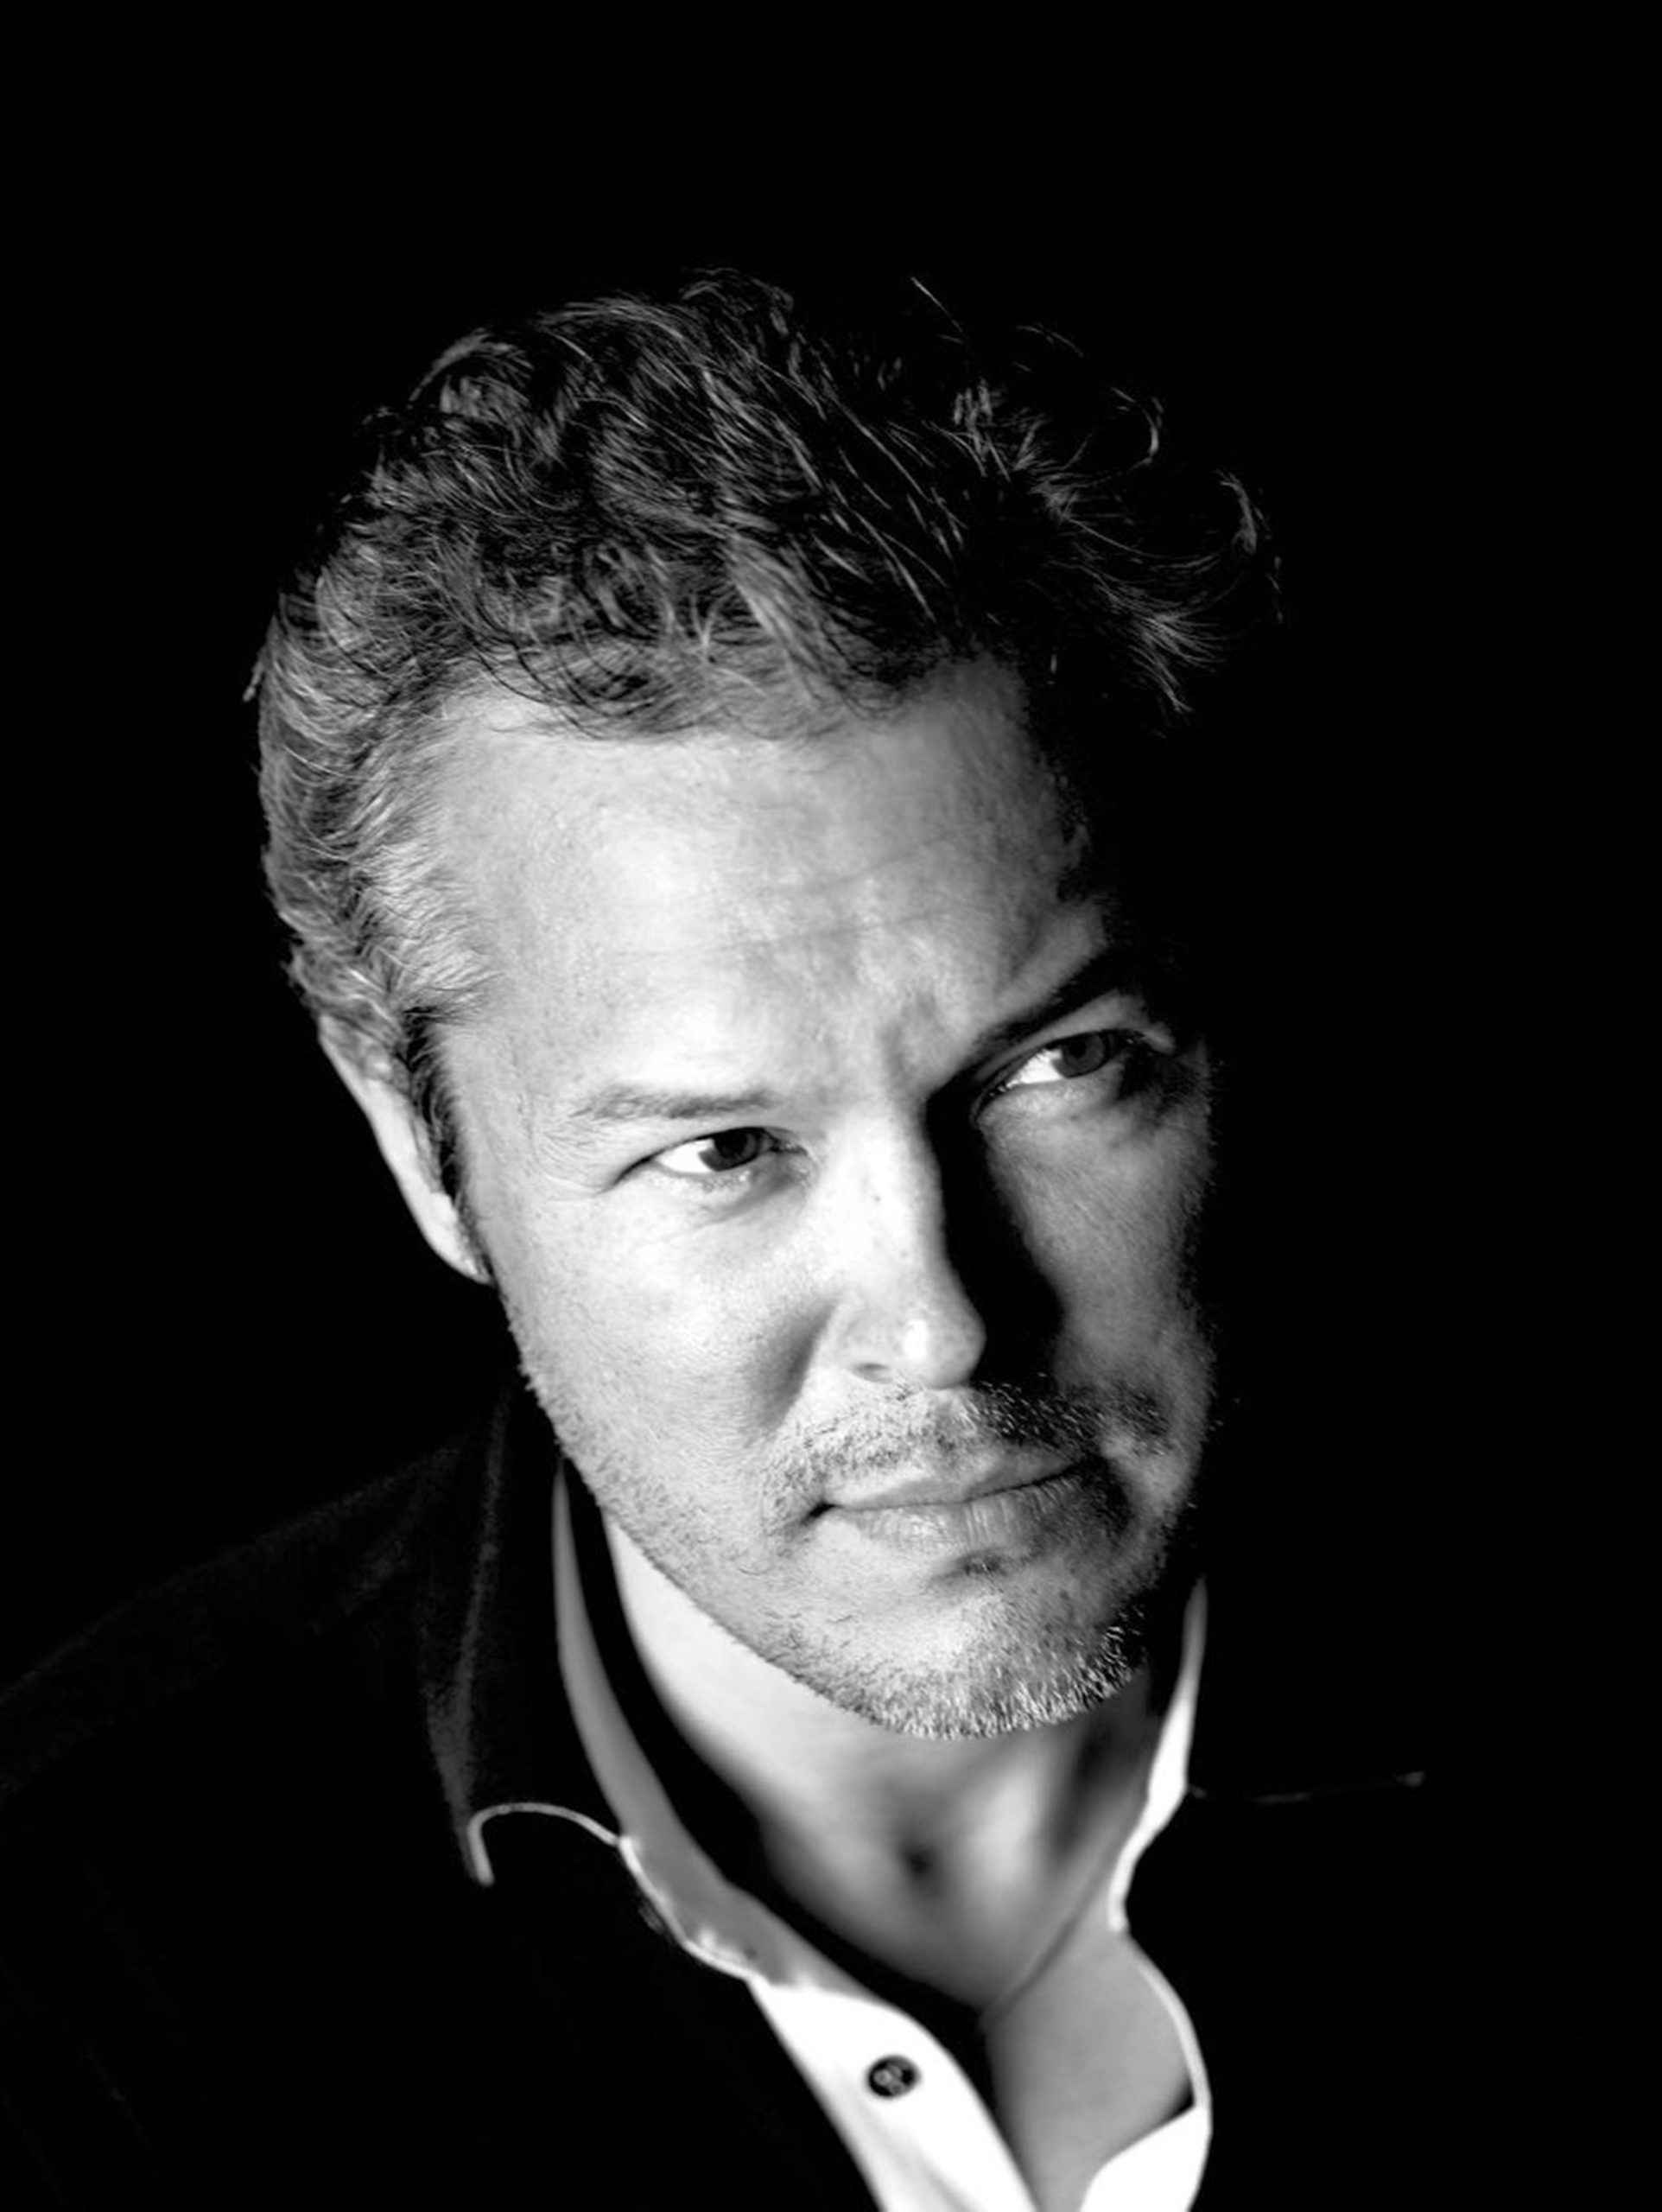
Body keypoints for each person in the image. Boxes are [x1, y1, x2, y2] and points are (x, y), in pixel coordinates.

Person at [1, 272, 1432, 2209]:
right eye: (727, 1148)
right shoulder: (75, 1974)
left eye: (1060, 1066)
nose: (938, 1320)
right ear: (422, 1152)